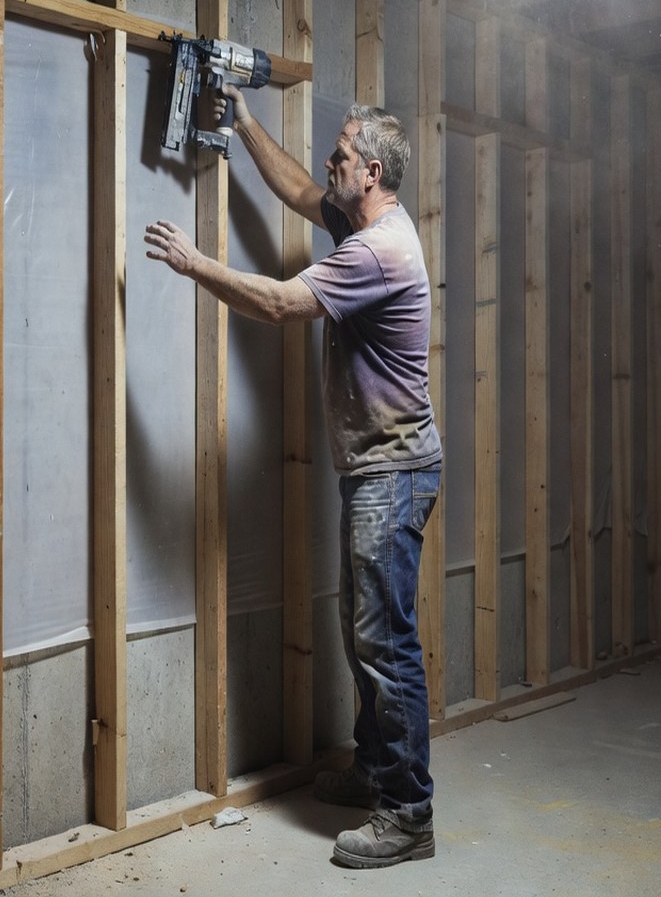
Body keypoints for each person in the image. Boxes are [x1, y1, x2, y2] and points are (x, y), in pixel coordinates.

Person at [142, 86, 442, 870]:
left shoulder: (380, 252)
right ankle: (380, 773)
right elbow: (295, 188)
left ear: (370, 172)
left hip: (393, 467)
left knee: (385, 641)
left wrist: (193, 260)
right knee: (365, 630)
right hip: (377, 464)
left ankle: (409, 814)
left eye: (341, 154)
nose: (328, 162)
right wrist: (241, 119)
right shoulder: (361, 216)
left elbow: (279, 304)